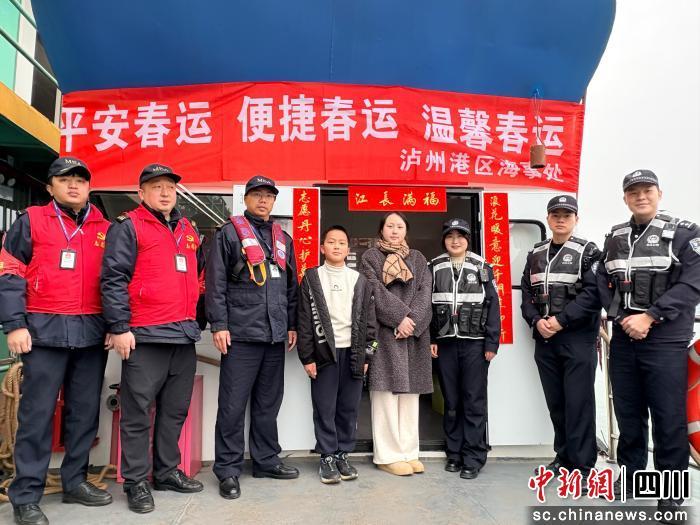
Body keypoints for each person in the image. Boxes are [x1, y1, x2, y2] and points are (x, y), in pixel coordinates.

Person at [0, 157, 112, 525]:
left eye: (80, 180)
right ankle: (26, 495)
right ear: (50, 187)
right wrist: (14, 324)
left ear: (89, 187)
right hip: (43, 332)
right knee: (36, 415)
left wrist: (114, 324)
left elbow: (115, 281)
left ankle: (75, 481)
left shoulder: (105, 227)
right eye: (65, 180)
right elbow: (10, 271)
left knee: (84, 413)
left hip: (91, 332)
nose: (74, 185)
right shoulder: (31, 220)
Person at [101, 164, 205, 514]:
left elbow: (198, 277)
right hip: (143, 335)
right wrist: (119, 327)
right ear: (141, 192)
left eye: (170, 188)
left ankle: (166, 472)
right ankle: (136, 481)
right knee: (137, 413)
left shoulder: (188, 229)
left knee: (175, 411)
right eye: (156, 186)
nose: (164, 193)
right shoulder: (128, 226)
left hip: (183, 335)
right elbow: (113, 278)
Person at [598, 170, 700, 515]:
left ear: (659, 193)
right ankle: (631, 476)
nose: (640, 196)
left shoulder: (685, 234)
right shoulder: (615, 238)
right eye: (633, 192)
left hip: (666, 341)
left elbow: (693, 284)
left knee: (668, 416)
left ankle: (671, 490)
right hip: (624, 337)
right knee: (628, 413)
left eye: (647, 190)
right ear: (625, 198)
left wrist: (650, 316)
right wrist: (621, 318)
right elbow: (602, 281)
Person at [206, 175, 299, 500]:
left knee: (268, 404)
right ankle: (228, 470)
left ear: (274, 201)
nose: (263, 200)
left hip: (274, 335)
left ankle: (266, 461)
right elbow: (216, 282)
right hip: (240, 336)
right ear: (245, 199)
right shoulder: (229, 234)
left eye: (268, 196)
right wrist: (219, 324)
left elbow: (291, 287)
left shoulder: (283, 238)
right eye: (257, 195)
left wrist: (291, 324)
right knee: (232, 406)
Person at [520, 195, 601, 483]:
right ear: (548, 219)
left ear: (576, 219)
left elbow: (593, 295)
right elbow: (527, 295)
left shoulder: (588, 252)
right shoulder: (536, 253)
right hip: (545, 339)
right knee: (557, 403)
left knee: (579, 404)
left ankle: (583, 467)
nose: (561, 219)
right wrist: (536, 320)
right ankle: (563, 458)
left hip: (577, 339)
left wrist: (561, 321)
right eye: (556, 215)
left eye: (567, 215)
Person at [297, 225, 378, 484]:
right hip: (324, 353)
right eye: (331, 242)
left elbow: (371, 324)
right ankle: (327, 457)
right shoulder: (312, 278)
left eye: (341, 242)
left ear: (348, 248)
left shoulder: (359, 280)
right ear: (322, 248)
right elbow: (304, 320)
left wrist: (367, 356)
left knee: (348, 407)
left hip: (353, 353)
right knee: (325, 407)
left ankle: (343, 454)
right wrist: (307, 357)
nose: (336, 246)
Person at [360, 212, 433, 476]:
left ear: (405, 231)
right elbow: (373, 291)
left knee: (410, 398)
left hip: (413, 336)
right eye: (389, 226)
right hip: (385, 335)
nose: (394, 230)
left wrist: (411, 322)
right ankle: (387, 455)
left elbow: (425, 291)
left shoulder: (418, 258)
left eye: (399, 226)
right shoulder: (370, 257)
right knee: (386, 397)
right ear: (381, 230)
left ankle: (409, 452)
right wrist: (399, 318)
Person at [430, 218, 500, 480]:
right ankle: (454, 454)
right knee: (451, 402)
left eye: (460, 236)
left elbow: (493, 305)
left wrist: (491, 342)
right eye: (450, 236)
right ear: (444, 240)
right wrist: (431, 339)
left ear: (468, 240)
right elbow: (427, 306)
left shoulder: (482, 266)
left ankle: (473, 457)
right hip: (445, 344)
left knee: (473, 401)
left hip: (475, 345)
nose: (455, 241)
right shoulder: (434, 267)